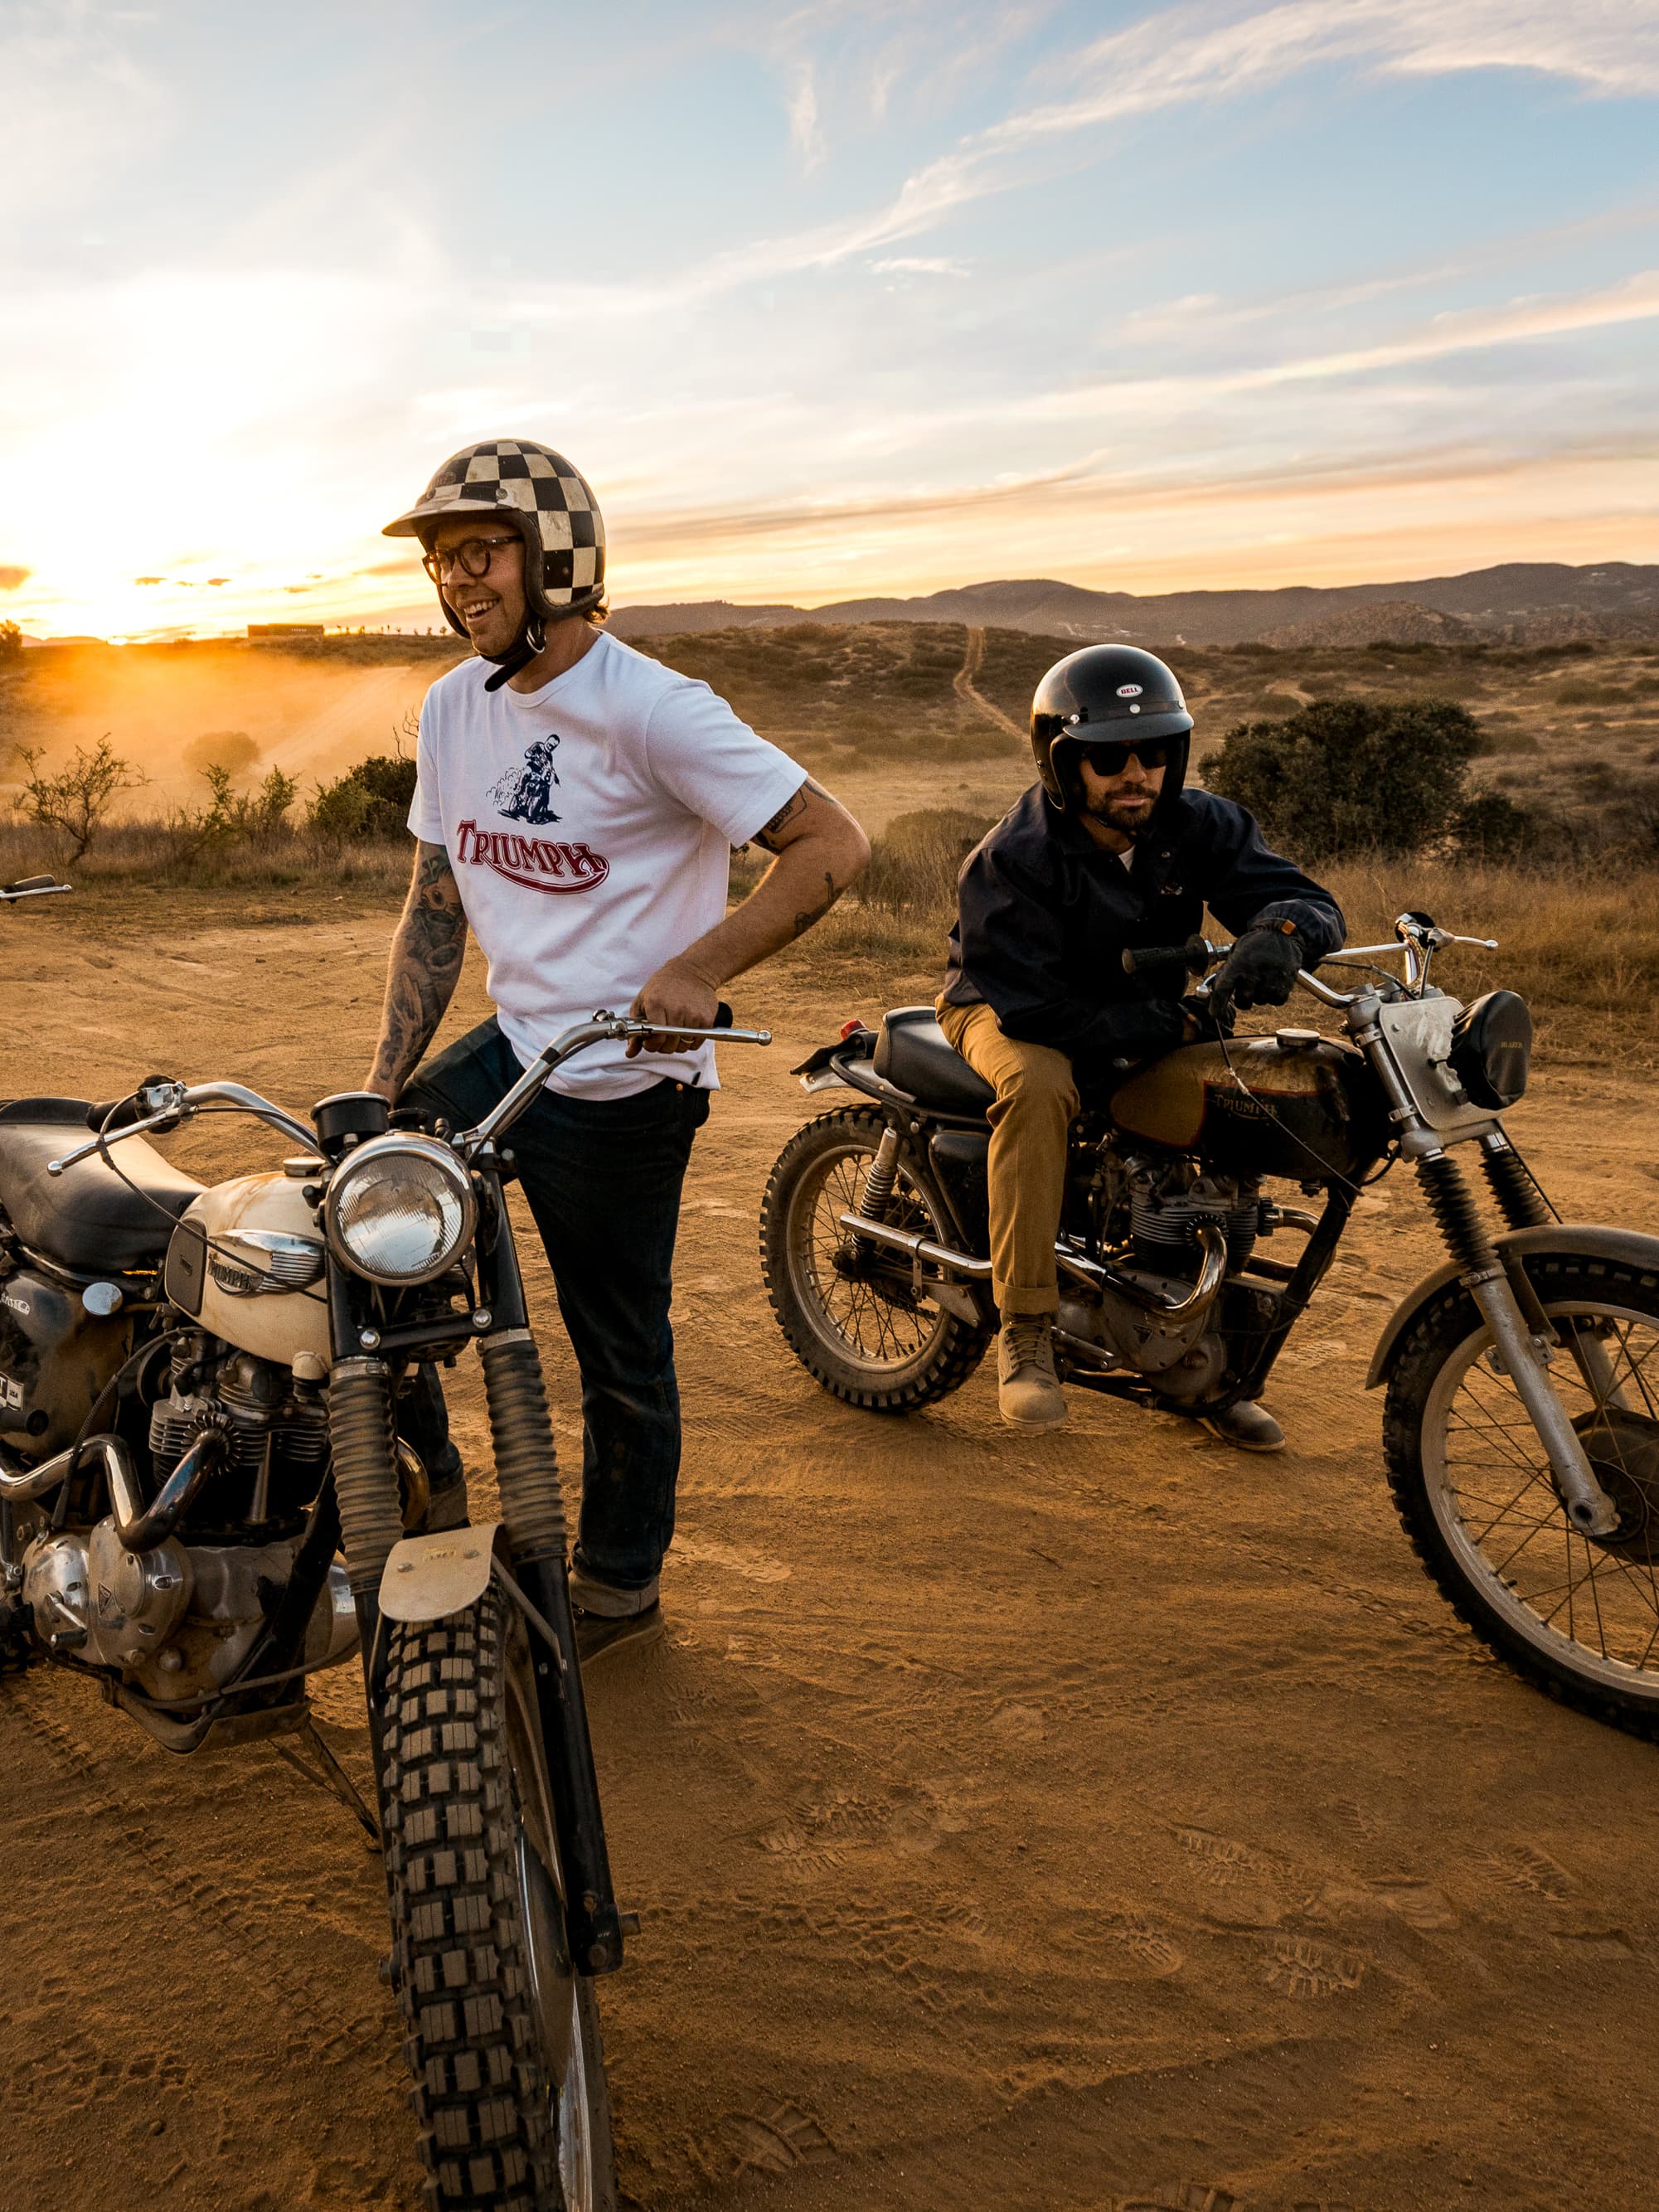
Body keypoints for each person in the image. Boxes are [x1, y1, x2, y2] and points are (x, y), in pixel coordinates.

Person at [366, 438, 869, 1660]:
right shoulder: (450, 706)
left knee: (616, 1345)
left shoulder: (651, 707)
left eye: (479, 553)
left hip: (619, 1078)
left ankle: (616, 1587)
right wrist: (383, 1088)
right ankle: (428, 1491)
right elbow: (436, 904)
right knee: (372, 1245)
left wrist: (698, 968)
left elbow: (831, 844)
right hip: (514, 1047)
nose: (455, 581)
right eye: (441, 561)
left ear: (557, 558)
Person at [937, 643, 1343, 1447]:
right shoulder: (1015, 856)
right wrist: (1168, 1023)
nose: (1136, 773)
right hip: (1007, 1006)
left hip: (1140, 1010)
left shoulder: (1200, 825)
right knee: (1041, 1089)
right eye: (1109, 757)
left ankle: (1206, 1350)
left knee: (1238, 1094)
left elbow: (1304, 896)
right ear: (1065, 764)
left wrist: (1282, 933)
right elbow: (1035, 1008)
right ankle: (1024, 1329)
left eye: (1153, 752)